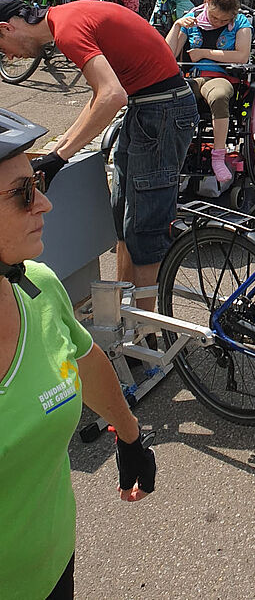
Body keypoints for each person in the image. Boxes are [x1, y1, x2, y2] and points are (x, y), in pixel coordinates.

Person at [0, 108, 157, 600]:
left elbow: (85, 361)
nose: (45, 203)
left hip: (54, 565)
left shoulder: (38, 287)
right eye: (23, 193)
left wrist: (130, 439)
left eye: (38, 183)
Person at [0, 0, 198, 310]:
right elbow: (102, 96)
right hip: (148, 106)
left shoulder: (66, 28)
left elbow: (111, 95)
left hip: (162, 109)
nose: (9, 58)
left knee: (145, 226)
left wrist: (60, 156)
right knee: (122, 216)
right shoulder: (65, 18)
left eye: (3, 49)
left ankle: (145, 330)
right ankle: (121, 309)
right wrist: (59, 150)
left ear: (5, 28)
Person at [166, 0, 252, 194]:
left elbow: (241, 56)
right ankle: (172, 152)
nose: (217, 23)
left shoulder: (241, 23)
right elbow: (168, 54)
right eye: (214, 17)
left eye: (223, 21)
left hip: (220, 76)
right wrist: (177, 26)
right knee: (172, 97)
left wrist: (205, 52)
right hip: (193, 76)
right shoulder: (192, 18)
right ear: (207, 5)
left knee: (219, 96)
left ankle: (218, 156)